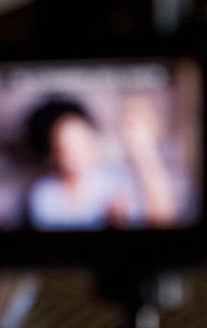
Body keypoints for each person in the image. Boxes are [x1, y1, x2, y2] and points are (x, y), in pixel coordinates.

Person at [22, 93, 181, 230]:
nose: (80, 152)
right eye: (69, 147)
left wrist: (143, 149)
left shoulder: (118, 181)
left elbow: (163, 219)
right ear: (52, 155)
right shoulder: (43, 194)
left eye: (84, 141)